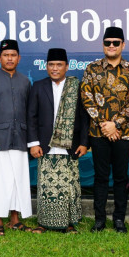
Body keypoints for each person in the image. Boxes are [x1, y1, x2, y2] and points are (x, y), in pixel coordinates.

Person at [80, 27, 129, 233]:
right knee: (100, 177)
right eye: (108, 42)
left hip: (123, 134)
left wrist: (115, 124)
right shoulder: (92, 69)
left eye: (116, 42)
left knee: (120, 178)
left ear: (123, 45)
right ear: (103, 45)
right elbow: (86, 98)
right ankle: (99, 220)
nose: (111, 46)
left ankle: (119, 220)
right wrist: (104, 125)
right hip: (99, 134)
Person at [27, 48, 90, 233]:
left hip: (71, 145)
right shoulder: (38, 86)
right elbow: (31, 117)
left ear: (67, 66)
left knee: (68, 186)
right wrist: (33, 143)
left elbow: (85, 118)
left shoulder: (76, 87)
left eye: (59, 65)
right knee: (46, 187)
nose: (55, 68)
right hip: (45, 147)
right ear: (46, 66)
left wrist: (85, 143)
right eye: (51, 65)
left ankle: (69, 223)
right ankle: (44, 222)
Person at [0, 39, 32, 235]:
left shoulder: (25, 81)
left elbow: (29, 111)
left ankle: (14, 218)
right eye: (6, 55)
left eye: (13, 55)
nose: (9, 58)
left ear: (18, 58)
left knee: (18, 179)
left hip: (20, 136)